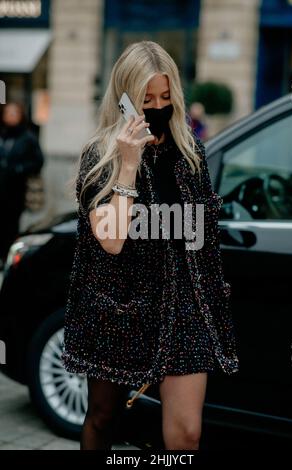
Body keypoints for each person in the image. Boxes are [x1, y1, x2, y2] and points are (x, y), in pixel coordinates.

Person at [62, 40, 239, 450]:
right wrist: (127, 163)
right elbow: (111, 240)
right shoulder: (99, 157)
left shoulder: (190, 154)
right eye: (145, 100)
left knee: (186, 436)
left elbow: (201, 241)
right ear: (124, 102)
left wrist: (210, 304)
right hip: (117, 307)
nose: (157, 108)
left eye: (165, 97)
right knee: (104, 419)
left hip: (183, 309)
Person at [0, 102, 44, 265]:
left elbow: (38, 162)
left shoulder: (28, 137)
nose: (10, 116)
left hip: (15, 191)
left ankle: (8, 257)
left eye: (14, 113)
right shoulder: (2, 135)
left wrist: (19, 169)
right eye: (7, 113)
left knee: (10, 225)